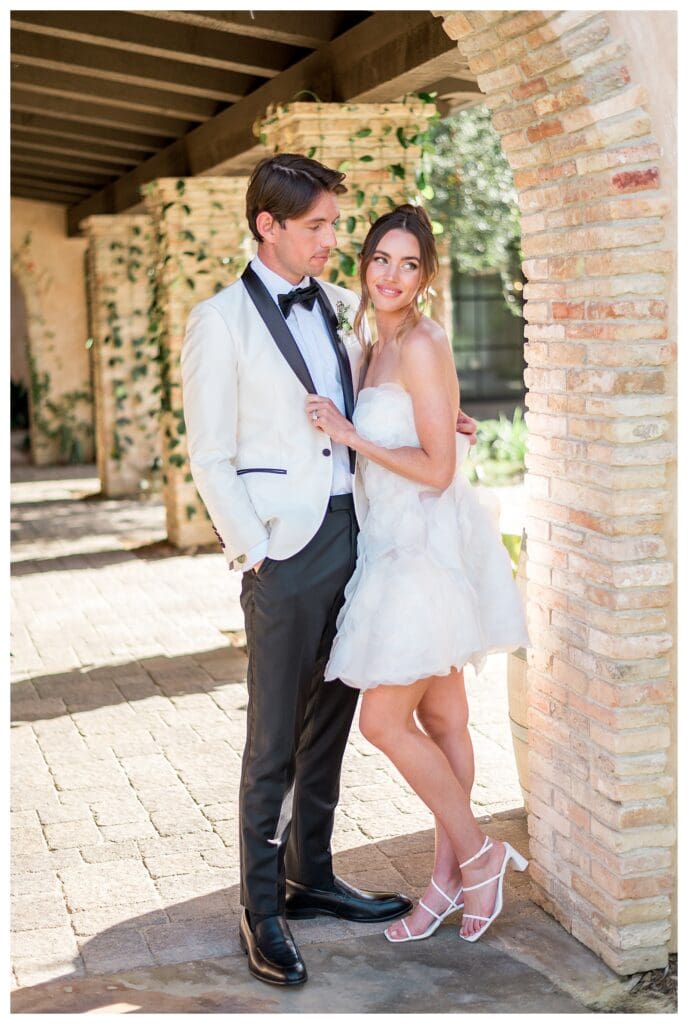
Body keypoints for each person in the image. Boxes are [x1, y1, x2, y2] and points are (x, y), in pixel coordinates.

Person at [181, 154, 479, 986]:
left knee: (332, 722)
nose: (333, 240)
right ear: (267, 226)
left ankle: (311, 876)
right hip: (287, 548)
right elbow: (209, 455)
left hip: (365, 540)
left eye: (334, 224)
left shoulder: (347, 308)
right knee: (273, 732)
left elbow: (392, 378)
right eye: (317, 226)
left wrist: (440, 419)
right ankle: (260, 906)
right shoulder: (220, 323)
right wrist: (255, 551)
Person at [307, 203, 530, 945]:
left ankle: (478, 852)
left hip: (421, 552)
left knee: (381, 720)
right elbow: (437, 436)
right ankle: (444, 886)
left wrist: (349, 436)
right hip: (389, 542)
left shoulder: (424, 342)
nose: (392, 275)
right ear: (364, 264)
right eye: (380, 259)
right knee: (443, 719)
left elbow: (435, 472)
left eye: (409, 264)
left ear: (427, 276)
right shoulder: (373, 343)